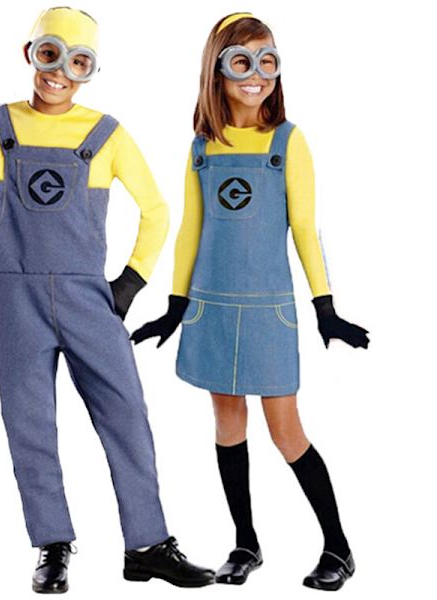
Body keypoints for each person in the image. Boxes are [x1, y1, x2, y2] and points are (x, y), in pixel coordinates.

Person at [0, 6, 214, 594]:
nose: (60, 73)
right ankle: (52, 545)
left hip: (88, 298)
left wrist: (130, 282)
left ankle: (147, 547)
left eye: (78, 63)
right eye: (49, 55)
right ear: (29, 54)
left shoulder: (106, 134)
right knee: (29, 423)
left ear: (90, 70)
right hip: (15, 299)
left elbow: (157, 211)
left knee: (126, 415)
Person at [131, 12, 369, 592]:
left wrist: (325, 305)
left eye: (268, 61)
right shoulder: (201, 147)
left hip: (268, 311)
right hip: (212, 307)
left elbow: (304, 227)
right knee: (228, 422)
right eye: (242, 61)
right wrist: (175, 304)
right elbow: (191, 229)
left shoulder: (288, 141)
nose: (257, 74)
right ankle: (245, 542)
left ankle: (338, 547)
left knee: (286, 431)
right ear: (217, 70)